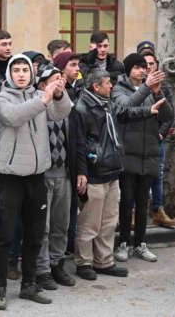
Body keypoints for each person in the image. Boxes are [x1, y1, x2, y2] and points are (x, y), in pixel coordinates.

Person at [0, 54, 71, 310]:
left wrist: (58, 94)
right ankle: (0, 288)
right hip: (11, 176)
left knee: (35, 234)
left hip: (37, 176)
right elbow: (12, 117)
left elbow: (61, 112)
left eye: (26, 70)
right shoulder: (2, 97)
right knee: (3, 235)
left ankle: (29, 284)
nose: (22, 74)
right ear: (9, 74)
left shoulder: (39, 96)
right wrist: (44, 98)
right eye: (16, 70)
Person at [111, 53, 174, 263]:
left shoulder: (152, 90)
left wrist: (156, 95)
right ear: (128, 70)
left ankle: (140, 244)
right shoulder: (119, 88)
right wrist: (147, 90)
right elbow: (124, 110)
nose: (142, 70)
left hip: (149, 154)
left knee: (142, 201)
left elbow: (168, 117)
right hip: (128, 154)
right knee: (127, 201)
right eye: (137, 67)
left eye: (144, 67)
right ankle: (123, 244)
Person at [72, 70, 128, 280]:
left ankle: (104, 261)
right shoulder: (82, 108)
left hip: (111, 170)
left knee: (108, 221)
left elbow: (127, 111)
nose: (111, 86)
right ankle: (84, 262)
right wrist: (82, 171)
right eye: (107, 83)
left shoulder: (107, 104)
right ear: (96, 87)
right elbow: (79, 143)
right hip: (94, 172)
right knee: (89, 222)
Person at [33, 64, 82, 291]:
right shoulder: (36, 106)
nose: (60, 82)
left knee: (60, 224)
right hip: (42, 175)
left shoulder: (68, 107)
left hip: (64, 174)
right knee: (43, 226)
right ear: (43, 85)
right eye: (55, 79)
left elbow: (77, 142)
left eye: (61, 78)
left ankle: (56, 264)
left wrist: (80, 170)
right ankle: (41, 270)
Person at [142, 53, 175, 228]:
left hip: (158, 138)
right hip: (140, 139)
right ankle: (134, 212)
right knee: (137, 176)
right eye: (145, 64)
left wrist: (161, 134)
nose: (149, 67)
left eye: (152, 63)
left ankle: (158, 210)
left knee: (158, 174)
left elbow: (169, 115)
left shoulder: (164, 87)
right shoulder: (138, 86)